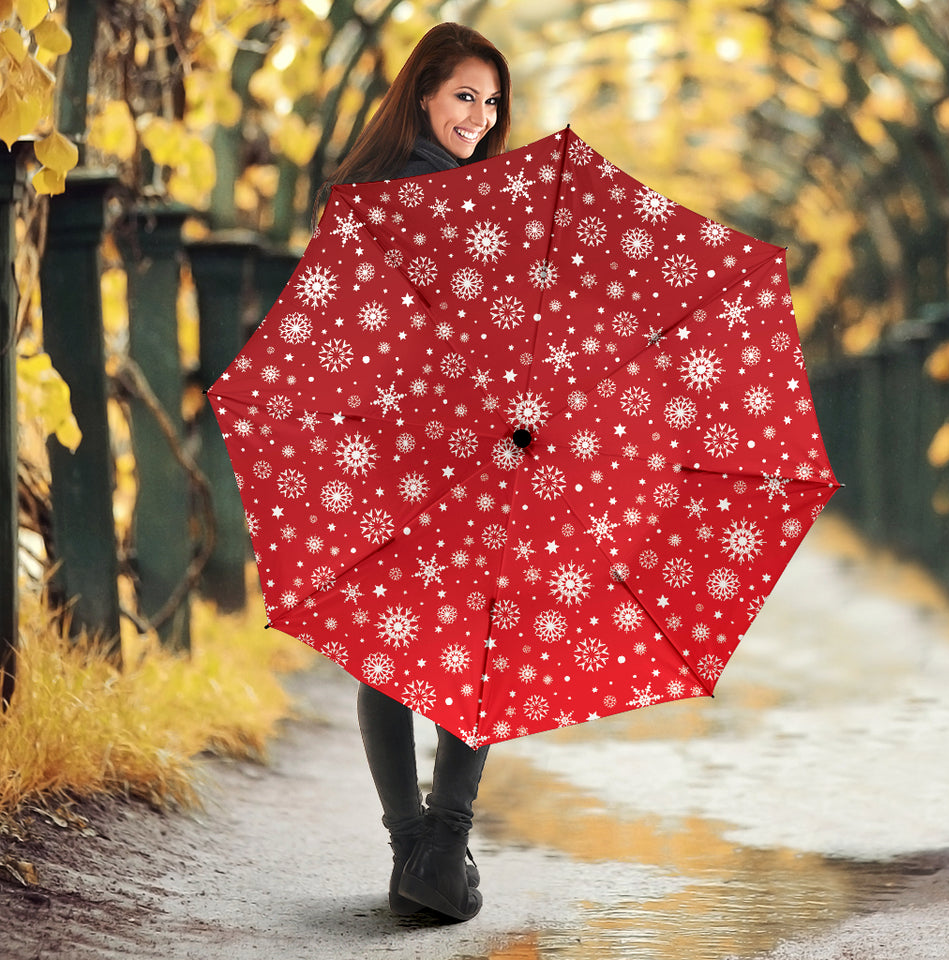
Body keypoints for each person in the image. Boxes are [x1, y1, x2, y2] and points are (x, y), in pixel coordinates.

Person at [322, 22, 512, 923]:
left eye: (489, 99)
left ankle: (413, 849)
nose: (479, 114)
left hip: (385, 451)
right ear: (425, 96)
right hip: (465, 451)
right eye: (464, 95)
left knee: (390, 648)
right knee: (474, 643)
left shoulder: (358, 197)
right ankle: (443, 842)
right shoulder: (467, 204)